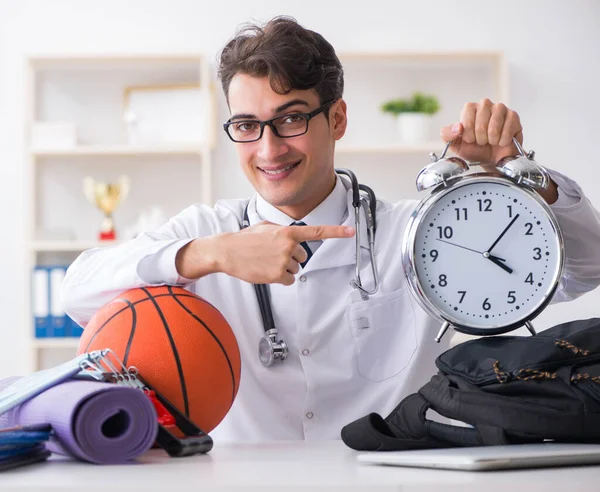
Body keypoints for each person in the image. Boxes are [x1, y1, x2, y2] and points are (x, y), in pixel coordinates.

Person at [61, 16, 600, 442]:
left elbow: (585, 268)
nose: (268, 149)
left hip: (388, 482)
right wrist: (211, 255)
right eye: (247, 126)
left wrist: (514, 177)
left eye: (291, 118)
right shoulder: (207, 232)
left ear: (337, 118)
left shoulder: (417, 232)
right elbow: (77, 290)